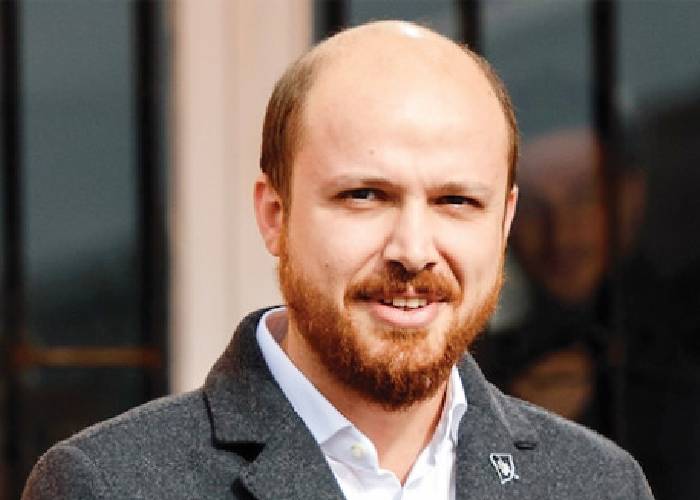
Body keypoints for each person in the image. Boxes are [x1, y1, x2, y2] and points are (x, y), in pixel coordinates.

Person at [23, 21, 654, 499]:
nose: (413, 250)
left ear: (504, 221)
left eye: (456, 201)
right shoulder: (108, 485)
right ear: (275, 215)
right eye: (364, 196)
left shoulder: (599, 484)